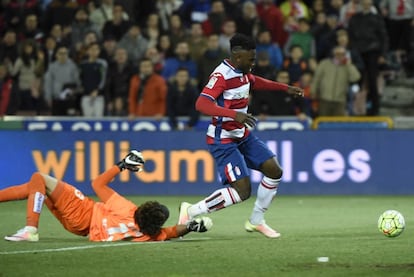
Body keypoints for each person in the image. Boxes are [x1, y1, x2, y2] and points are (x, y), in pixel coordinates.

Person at [178, 33, 304, 238]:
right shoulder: (221, 76)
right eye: (251, 59)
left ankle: (256, 220)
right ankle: (191, 211)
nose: (253, 63)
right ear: (238, 58)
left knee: (274, 171)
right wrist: (234, 114)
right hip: (223, 138)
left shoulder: (243, 72)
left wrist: (285, 88)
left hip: (242, 135)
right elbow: (201, 104)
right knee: (242, 191)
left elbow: (257, 82)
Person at [1, 150, 213, 242]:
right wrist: (192, 227)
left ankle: (31, 229)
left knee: (40, 178)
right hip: (79, 229)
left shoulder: (127, 208)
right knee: (36, 187)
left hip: (84, 211)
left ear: (147, 206)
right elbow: (171, 232)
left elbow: (97, 184)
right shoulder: (148, 235)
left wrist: (122, 165)